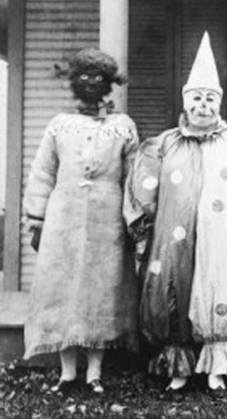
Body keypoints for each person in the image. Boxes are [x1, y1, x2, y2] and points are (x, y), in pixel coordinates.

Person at [123, 32, 227, 391]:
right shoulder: (164, 144)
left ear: (218, 105)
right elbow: (143, 186)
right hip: (173, 233)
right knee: (175, 285)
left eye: (209, 100)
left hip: (220, 233)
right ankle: (178, 365)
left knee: (217, 284)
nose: (203, 106)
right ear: (186, 103)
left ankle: (216, 367)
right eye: (197, 99)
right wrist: (144, 228)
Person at [23, 48, 140, 394]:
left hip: (108, 219)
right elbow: (43, 172)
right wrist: (37, 220)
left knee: (101, 290)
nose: (91, 83)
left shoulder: (122, 126)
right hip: (64, 218)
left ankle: (95, 372)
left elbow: (134, 177)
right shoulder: (60, 125)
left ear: (109, 83)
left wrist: (134, 221)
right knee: (62, 288)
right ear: (74, 81)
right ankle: (67, 372)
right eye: (84, 76)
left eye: (98, 77)